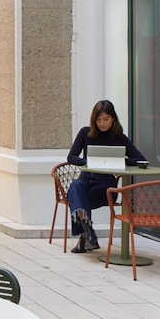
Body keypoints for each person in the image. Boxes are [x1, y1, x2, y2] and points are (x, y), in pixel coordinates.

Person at [65, 99, 146, 253]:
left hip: (106, 188)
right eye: (98, 120)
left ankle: (86, 237)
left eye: (106, 119)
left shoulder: (119, 138)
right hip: (86, 181)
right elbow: (71, 157)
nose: (102, 123)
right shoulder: (85, 133)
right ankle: (88, 234)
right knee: (76, 186)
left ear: (113, 118)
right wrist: (89, 162)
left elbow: (140, 160)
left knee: (76, 197)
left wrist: (119, 161)